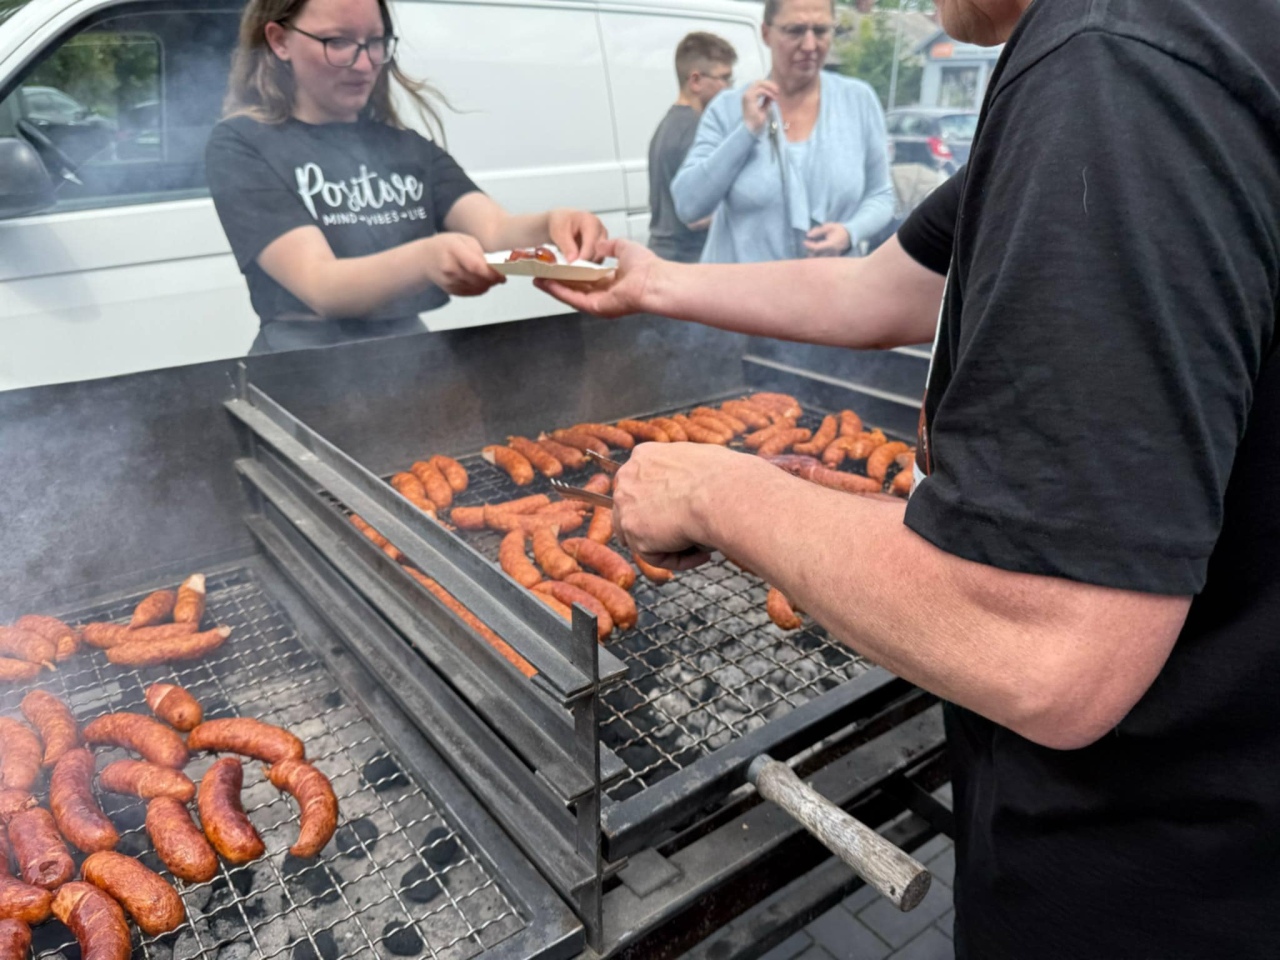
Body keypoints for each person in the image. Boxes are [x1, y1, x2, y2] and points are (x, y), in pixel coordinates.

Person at [537, 0, 1280, 956]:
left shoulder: (1113, 55)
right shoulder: (1182, 35)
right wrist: (655, 284)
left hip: (1155, 879)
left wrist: (716, 492)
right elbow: (882, 288)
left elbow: (1050, 645)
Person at [206, 0, 606, 354]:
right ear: (279, 41)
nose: (365, 64)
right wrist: (426, 259)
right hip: (303, 367)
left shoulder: (406, 146)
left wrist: (551, 225)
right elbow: (321, 284)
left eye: (375, 42)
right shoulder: (243, 144)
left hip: (410, 357)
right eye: (338, 42)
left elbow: (495, 230)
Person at [670, 0, 894, 263]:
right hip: (743, 297)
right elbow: (688, 206)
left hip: (829, 294)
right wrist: (747, 131)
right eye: (795, 30)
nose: (810, 45)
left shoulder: (858, 100)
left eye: (821, 31)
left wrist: (849, 232)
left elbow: (881, 195)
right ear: (766, 33)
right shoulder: (728, 107)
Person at [647, 32, 737, 263]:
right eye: (725, 78)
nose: (730, 89)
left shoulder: (667, 124)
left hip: (663, 257)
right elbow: (695, 216)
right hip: (689, 263)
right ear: (695, 80)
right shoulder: (699, 131)